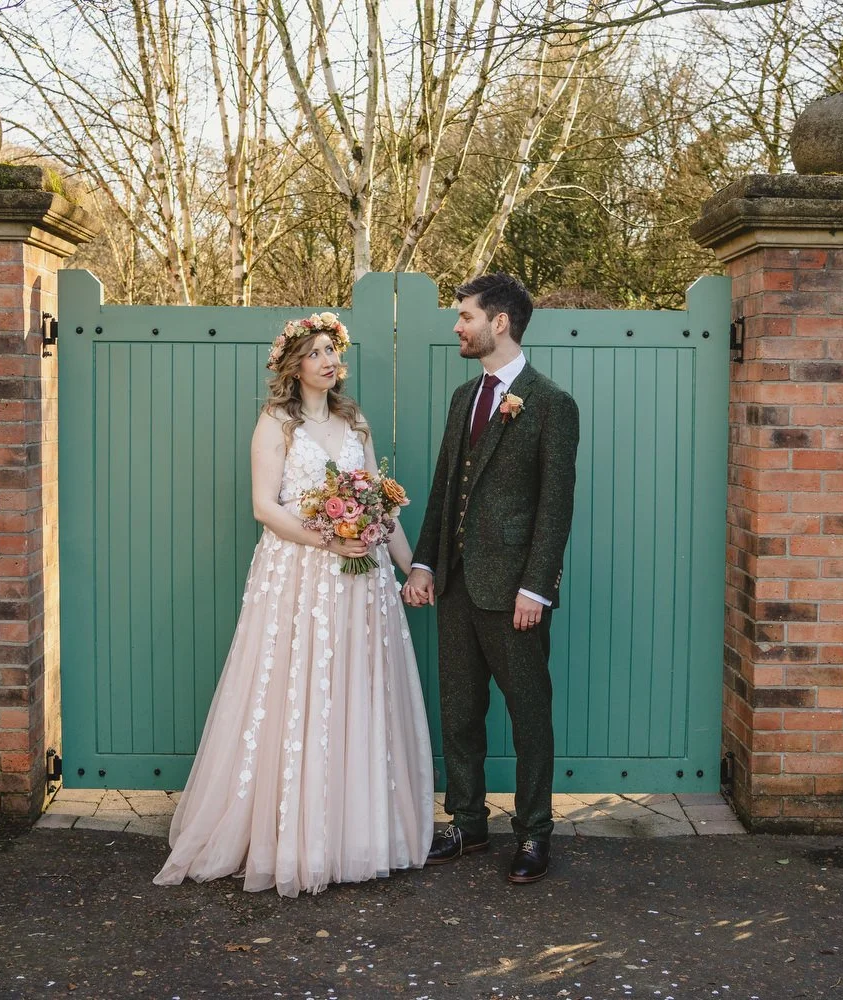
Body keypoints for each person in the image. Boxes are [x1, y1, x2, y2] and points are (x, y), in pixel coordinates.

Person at [154, 313, 434, 897]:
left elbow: (381, 506)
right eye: (316, 353)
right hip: (300, 576)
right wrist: (328, 539)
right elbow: (265, 507)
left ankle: (359, 836)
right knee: (298, 691)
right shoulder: (275, 423)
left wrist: (413, 567)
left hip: (362, 580)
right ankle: (294, 838)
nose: (329, 361)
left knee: (355, 692)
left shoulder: (354, 421)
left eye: (333, 350)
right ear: (294, 365)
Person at [402, 273, 579, 885]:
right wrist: (424, 563)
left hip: (513, 594)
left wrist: (537, 588)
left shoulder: (552, 404)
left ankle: (534, 833)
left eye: (465, 316)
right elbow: (444, 488)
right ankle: (468, 822)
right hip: (454, 585)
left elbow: (555, 506)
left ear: (498, 322)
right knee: (459, 710)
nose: (458, 326)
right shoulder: (463, 398)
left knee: (530, 713)